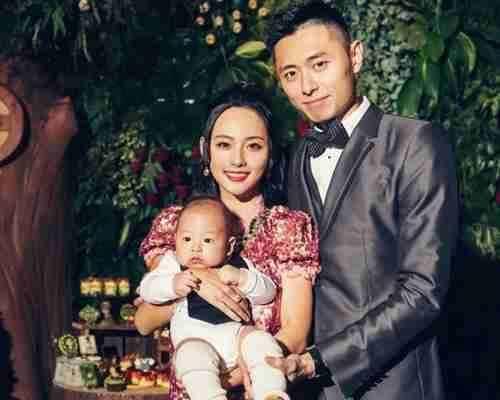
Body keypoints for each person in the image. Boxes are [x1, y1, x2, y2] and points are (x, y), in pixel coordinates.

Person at [263, 1, 459, 400]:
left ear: (355, 56)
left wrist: (320, 360)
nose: (307, 86)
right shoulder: (297, 157)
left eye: (320, 64)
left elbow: (423, 291)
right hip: (313, 389)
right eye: (291, 74)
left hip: (396, 385)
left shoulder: (414, 143)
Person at [134, 85, 320, 400]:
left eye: (254, 146)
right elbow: (144, 320)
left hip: (259, 387)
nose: (237, 160)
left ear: (271, 153)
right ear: (205, 149)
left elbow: (296, 333)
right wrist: (199, 280)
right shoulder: (178, 224)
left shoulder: (288, 228)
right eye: (224, 144)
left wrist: (240, 375)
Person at [137, 196, 290, 400]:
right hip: (195, 340)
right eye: (187, 239)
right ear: (175, 240)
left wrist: (243, 279)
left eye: (207, 240)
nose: (195, 247)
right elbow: (147, 288)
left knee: (261, 341)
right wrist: (172, 284)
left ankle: (270, 392)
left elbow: (268, 293)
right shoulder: (173, 264)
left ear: (229, 246)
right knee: (190, 358)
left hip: (236, 339)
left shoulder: (238, 265)